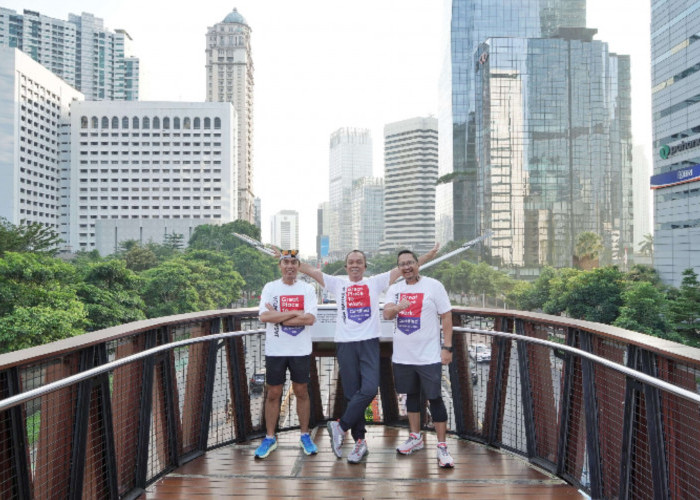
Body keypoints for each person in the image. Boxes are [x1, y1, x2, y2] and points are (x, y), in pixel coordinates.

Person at [297, 245, 437, 464]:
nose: (355, 265)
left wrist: (430, 255)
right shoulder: (337, 283)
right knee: (352, 395)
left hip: (369, 342)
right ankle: (360, 443)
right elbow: (310, 271)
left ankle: (340, 426)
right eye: (351, 262)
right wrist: (289, 257)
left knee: (370, 388)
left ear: (365, 266)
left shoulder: (375, 282)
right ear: (346, 266)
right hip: (345, 344)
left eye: (359, 262)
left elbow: (407, 268)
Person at [383, 249, 455, 468]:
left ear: (417, 264)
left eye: (411, 263)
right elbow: (387, 314)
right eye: (402, 264)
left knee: (435, 398)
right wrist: (398, 307)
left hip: (429, 355)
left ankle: (442, 446)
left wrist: (447, 347)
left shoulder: (434, 286)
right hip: (403, 356)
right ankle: (415, 438)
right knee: (411, 397)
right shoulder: (395, 289)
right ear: (399, 268)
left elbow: (446, 316)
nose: (407, 267)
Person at [254, 249, 319, 459]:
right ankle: (270, 437)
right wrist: (294, 313)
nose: (290, 266)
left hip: (300, 350)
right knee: (273, 393)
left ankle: (304, 434)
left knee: (301, 391)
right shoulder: (270, 287)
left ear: (299, 266)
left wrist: (278, 316)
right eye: (286, 262)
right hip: (276, 350)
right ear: (280, 266)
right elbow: (264, 316)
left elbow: (309, 320)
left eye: (294, 262)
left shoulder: (307, 289)